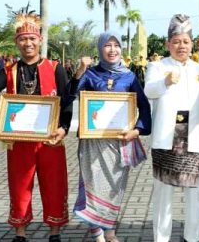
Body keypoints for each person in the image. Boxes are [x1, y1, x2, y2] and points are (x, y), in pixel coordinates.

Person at [0, 11, 73, 242]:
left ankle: (54, 231)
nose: (28, 43)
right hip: (19, 140)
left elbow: (66, 99)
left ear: (40, 40)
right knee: (20, 185)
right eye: (23, 39)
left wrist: (63, 128)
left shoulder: (54, 68)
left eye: (32, 38)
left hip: (50, 138)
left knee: (54, 184)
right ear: (17, 42)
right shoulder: (10, 70)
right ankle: (20, 232)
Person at [67, 32, 152, 242]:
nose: (112, 49)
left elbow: (144, 106)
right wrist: (80, 70)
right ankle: (96, 232)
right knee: (92, 184)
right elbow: (68, 95)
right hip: (93, 142)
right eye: (107, 45)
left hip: (119, 142)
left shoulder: (129, 76)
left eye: (116, 45)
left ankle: (110, 231)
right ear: (100, 49)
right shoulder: (90, 74)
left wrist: (137, 130)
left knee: (115, 188)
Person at [144, 14, 199, 242]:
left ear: (192, 43)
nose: (181, 46)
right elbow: (149, 92)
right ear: (168, 44)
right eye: (176, 41)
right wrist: (165, 82)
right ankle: (161, 238)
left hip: (193, 138)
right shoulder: (157, 67)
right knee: (163, 193)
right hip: (167, 137)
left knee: (194, 194)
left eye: (185, 41)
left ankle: (192, 237)